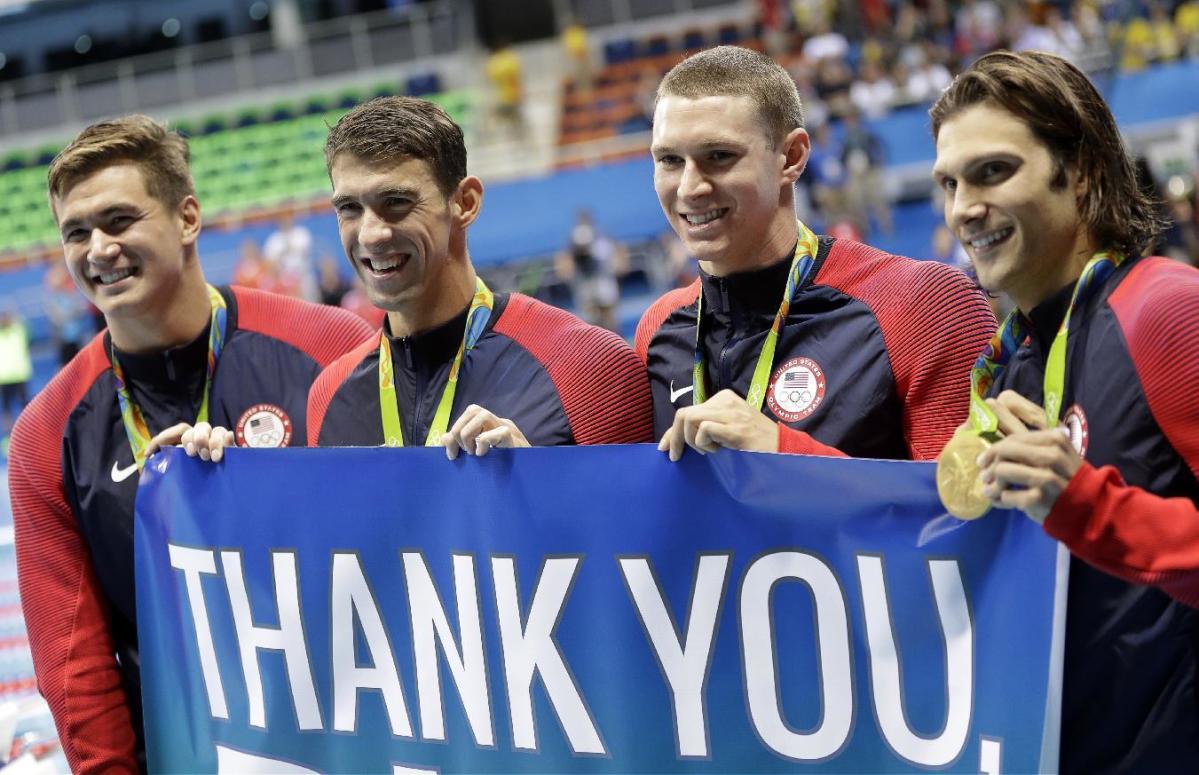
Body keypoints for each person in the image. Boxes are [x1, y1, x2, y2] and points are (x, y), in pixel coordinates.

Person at [6, 115, 374, 772]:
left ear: (187, 218)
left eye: (118, 220)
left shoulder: (329, 350)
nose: (98, 248)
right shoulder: (47, 433)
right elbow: (76, 670)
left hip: (352, 743)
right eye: (76, 232)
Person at [930, 49, 1199, 772]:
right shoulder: (1008, 363)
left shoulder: (1167, 312)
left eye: (992, 172)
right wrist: (774, 453)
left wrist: (1088, 506)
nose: (962, 208)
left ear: (1078, 171)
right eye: (948, 183)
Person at [635, 46, 994, 462]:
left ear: (791, 157)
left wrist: (783, 452)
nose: (689, 188)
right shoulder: (659, 331)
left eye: (719, 157)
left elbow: (970, 514)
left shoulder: (922, 304)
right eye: (670, 160)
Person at [302, 96, 652, 453]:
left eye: (396, 202)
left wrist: (539, 479)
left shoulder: (587, 366)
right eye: (349, 208)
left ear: (465, 203)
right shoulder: (329, 397)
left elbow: (642, 509)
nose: (370, 234)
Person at [0, 305, 32, 433]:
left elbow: (27, 327)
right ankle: (9, 436)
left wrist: (15, 318)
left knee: (26, 407)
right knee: (6, 409)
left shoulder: (19, 330)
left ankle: (29, 432)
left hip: (20, 375)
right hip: (4, 378)